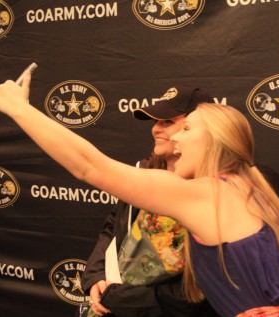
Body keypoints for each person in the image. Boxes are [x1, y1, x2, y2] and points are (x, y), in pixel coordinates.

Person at [0, 73, 279, 317]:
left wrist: (19, 109)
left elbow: (89, 166)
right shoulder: (251, 186)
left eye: (185, 129)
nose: (175, 139)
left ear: (216, 140)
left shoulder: (207, 193)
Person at [81, 86, 218, 317]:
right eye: (155, 122)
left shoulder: (220, 190)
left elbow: (204, 289)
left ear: (203, 129)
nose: (156, 129)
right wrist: (96, 276)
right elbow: (112, 229)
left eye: (168, 122)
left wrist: (128, 299)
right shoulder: (141, 172)